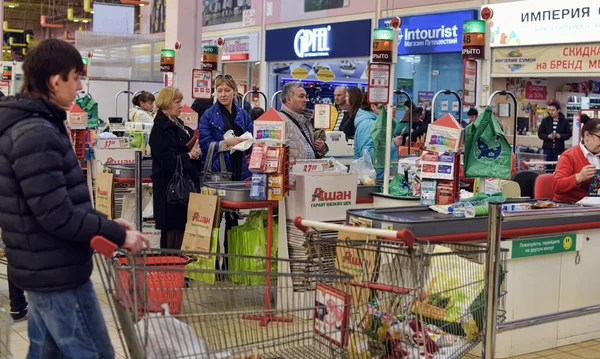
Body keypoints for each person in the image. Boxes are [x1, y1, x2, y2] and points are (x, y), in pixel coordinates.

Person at [0, 39, 149, 358]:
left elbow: (54, 203)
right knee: (95, 353)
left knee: (44, 352)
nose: (79, 85)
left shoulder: (36, 125)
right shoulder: (35, 133)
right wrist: (119, 234)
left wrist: (105, 224)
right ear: (55, 81)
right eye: (75, 77)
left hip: (45, 268)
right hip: (58, 273)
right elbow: (57, 214)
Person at [150, 86, 201, 249]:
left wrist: (192, 151)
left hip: (180, 187)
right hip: (170, 190)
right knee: (171, 232)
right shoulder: (160, 129)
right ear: (166, 103)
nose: (181, 105)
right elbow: (167, 161)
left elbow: (179, 149)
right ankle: (169, 269)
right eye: (177, 102)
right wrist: (189, 156)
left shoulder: (176, 123)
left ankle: (176, 268)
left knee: (180, 230)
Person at [199, 74, 253, 182]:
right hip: (219, 169)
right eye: (219, 91)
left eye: (227, 90)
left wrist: (248, 141)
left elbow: (252, 138)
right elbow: (204, 145)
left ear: (234, 91)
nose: (223, 95)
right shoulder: (208, 115)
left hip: (241, 166)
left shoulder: (243, 114)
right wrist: (226, 143)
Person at [552, 116, 600, 203]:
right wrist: (579, 177)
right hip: (570, 206)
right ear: (587, 135)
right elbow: (557, 185)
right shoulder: (569, 156)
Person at [279, 82, 328, 160]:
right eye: (301, 96)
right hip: (292, 171)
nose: (305, 100)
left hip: (307, 170)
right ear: (288, 99)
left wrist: (321, 148)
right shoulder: (280, 121)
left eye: (306, 97)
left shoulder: (305, 120)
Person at [354, 94, 398, 178]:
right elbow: (367, 156)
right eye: (384, 105)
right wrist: (392, 144)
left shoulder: (375, 123)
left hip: (375, 175)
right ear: (373, 106)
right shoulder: (369, 124)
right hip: (372, 177)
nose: (387, 108)